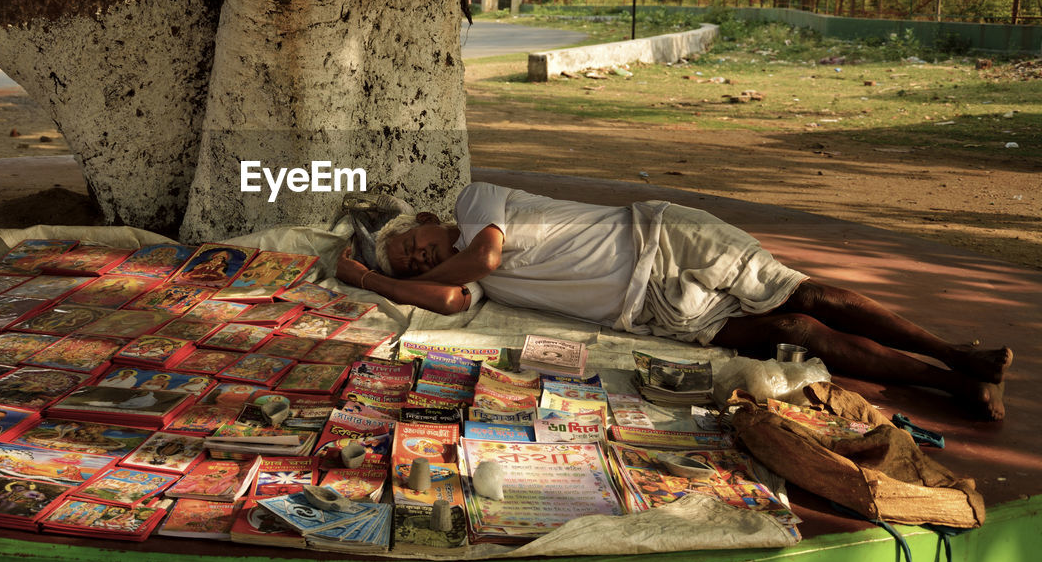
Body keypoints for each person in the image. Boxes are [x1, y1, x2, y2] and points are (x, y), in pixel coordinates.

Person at [335, 182, 1012, 420]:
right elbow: (453, 298)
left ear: (424, 220)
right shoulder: (464, 284)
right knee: (800, 328)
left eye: (411, 244)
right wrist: (374, 282)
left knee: (810, 291)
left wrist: (389, 274)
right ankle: (952, 384)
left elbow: (476, 256)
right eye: (408, 263)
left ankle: (955, 352)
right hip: (659, 312)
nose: (419, 257)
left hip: (663, 237)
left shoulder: (473, 202)